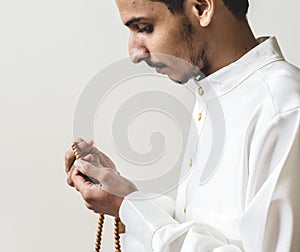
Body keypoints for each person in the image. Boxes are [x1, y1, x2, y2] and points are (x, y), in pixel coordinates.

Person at [65, 0, 300, 251]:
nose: (134, 52)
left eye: (144, 27)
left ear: (202, 8)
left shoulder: (283, 109)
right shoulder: (212, 96)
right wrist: (125, 196)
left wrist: (130, 207)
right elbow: (202, 229)